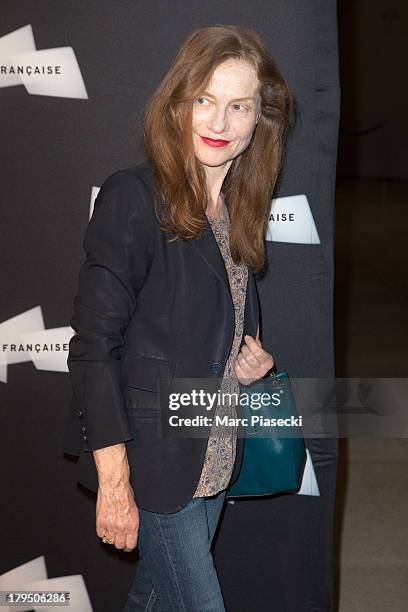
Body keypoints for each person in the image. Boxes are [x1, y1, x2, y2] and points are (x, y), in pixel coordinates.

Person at [63, 24, 294, 611]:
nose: (218, 124)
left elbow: (211, 332)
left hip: (215, 448)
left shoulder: (239, 208)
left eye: (238, 106)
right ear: (178, 105)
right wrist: (115, 478)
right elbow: (94, 344)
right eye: (204, 101)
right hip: (155, 459)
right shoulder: (133, 197)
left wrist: (250, 366)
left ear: (258, 120)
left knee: (152, 599)